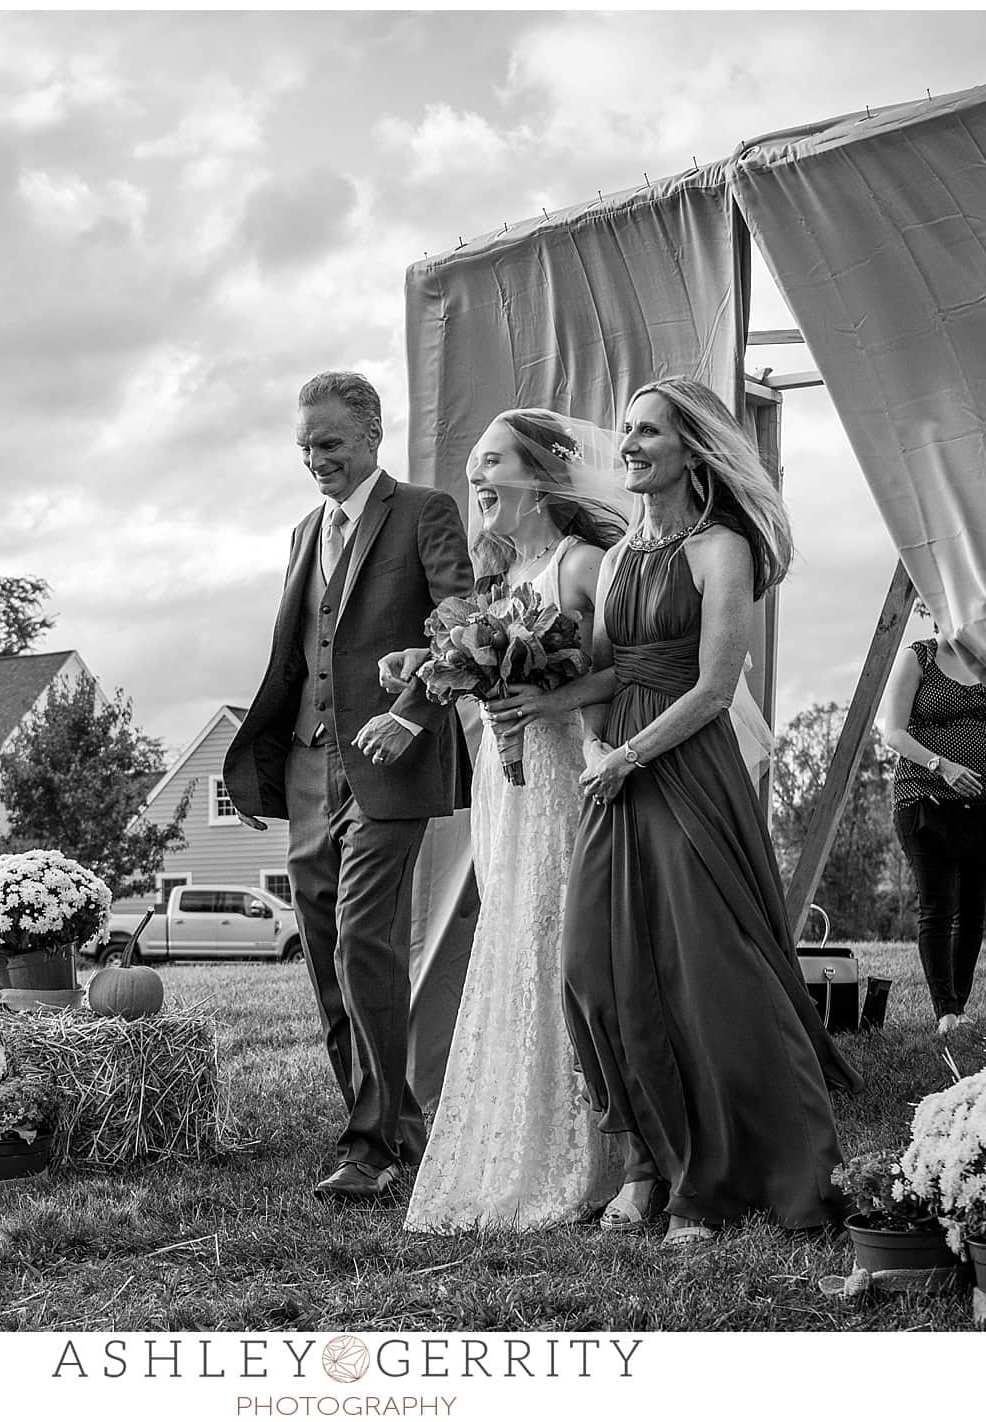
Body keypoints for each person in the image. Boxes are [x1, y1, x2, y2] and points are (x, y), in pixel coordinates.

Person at [491, 377, 862, 1248]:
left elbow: (713, 685)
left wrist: (626, 753)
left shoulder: (720, 548)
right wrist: (579, 735)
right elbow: (609, 670)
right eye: (625, 429)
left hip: (684, 766)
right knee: (596, 966)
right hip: (612, 766)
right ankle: (643, 1163)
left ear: (693, 448)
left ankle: (714, 1178)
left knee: (706, 972)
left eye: (648, 431)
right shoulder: (618, 556)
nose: (628, 444)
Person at [223, 370, 472, 1204]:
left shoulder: (424, 512)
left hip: (389, 761)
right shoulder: (303, 532)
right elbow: (299, 654)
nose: (316, 459)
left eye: (329, 443)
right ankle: (391, 1132)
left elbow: (462, 625)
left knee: (365, 941)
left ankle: (370, 1146)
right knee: (327, 955)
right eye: (304, 446)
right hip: (306, 766)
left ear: (370, 433)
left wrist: (410, 713)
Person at [380, 408, 632, 1233]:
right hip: (502, 776)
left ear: (541, 472)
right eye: (474, 466)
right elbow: (480, 666)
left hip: (563, 770)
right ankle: (510, 1139)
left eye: (492, 463)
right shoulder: (492, 582)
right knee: (510, 937)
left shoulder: (586, 563)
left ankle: (598, 1151)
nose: (477, 480)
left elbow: (632, 672)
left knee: (559, 940)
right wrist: (427, 664)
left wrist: (548, 696)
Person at [875, 596, 986, 1037]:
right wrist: (941, 764)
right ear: (934, 612)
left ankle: (957, 1008)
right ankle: (944, 1011)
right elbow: (894, 733)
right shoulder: (918, 657)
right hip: (926, 801)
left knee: (974, 912)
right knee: (938, 907)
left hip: (983, 806)